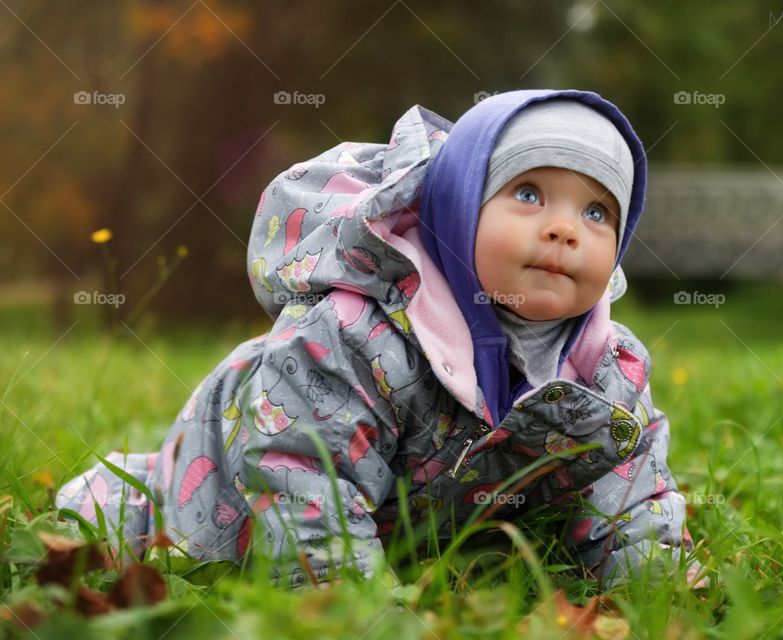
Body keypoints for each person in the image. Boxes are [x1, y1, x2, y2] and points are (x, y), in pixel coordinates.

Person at [55, 88, 707, 591]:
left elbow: (629, 484)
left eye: (597, 212)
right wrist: (351, 603)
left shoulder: (608, 371)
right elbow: (305, 470)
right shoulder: (352, 337)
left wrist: (651, 578)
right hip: (232, 485)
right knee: (158, 527)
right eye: (529, 193)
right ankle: (116, 502)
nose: (565, 229)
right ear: (458, 205)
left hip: (421, 516)